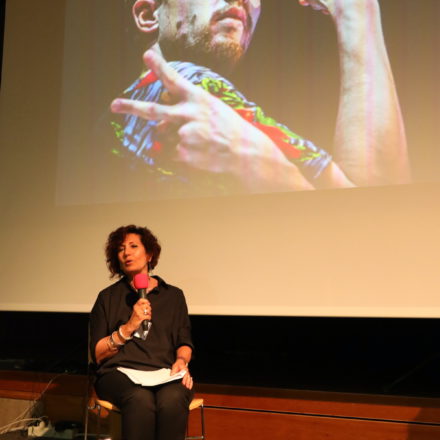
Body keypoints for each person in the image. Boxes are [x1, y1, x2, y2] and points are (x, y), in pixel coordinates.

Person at [107, 0, 411, 197]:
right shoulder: (191, 81)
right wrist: (356, 12)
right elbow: (377, 207)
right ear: (148, 15)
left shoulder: (117, 121)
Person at [90, 225, 194, 440]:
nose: (126, 253)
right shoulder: (107, 297)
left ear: (149, 254)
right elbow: (98, 354)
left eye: (133, 246)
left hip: (163, 373)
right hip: (118, 374)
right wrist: (129, 326)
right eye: (121, 249)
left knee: (173, 399)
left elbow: (184, 341)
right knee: (140, 399)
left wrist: (182, 361)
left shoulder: (173, 296)